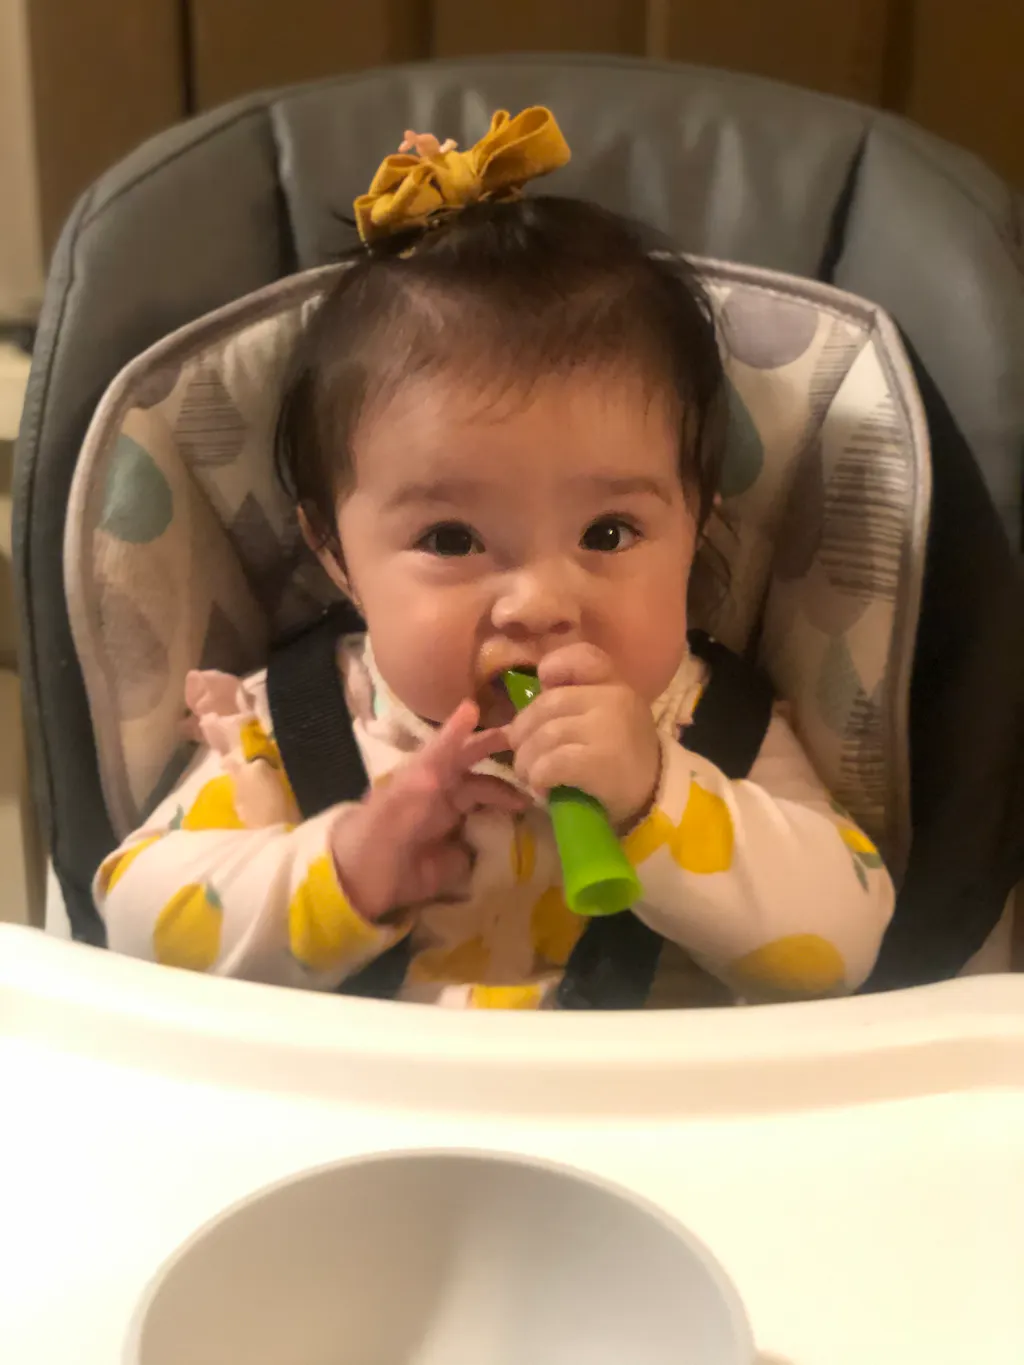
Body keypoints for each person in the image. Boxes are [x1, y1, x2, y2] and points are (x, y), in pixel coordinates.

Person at [96, 108, 894, 1009]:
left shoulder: (714, 728)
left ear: (694, 531)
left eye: (608, 532)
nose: (541, 603)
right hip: (369, 1090)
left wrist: (657, 797)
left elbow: (845, 939)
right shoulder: (297, 730)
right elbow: (134, 927)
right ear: (337, 556)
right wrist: (345, 870)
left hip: (650, 1096)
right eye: (450, 539)